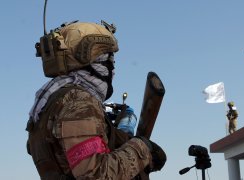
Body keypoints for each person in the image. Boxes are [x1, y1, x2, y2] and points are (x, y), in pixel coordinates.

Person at [26, 21, 166, 180]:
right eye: (108, 61)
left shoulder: (47, 103)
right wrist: (142, 149)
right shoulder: (77, 102)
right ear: (92, 62)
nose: (112, 70)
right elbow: (95, 174)